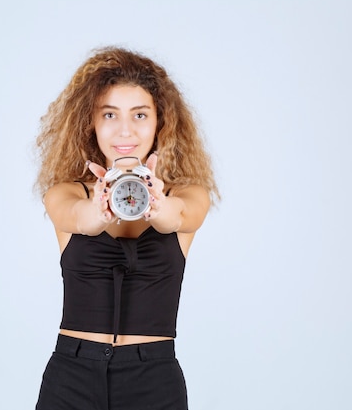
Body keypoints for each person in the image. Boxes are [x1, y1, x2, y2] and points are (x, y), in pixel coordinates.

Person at [34, 46, 219, 410]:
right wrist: (98, 211)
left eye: (139, 115)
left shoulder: (187, 194)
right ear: (91, 122)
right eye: (109, 114)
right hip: (71, 377)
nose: (125, 130)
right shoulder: (67, 192)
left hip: (153, 380)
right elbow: (75, 217)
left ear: (159, 123)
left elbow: (179, 217)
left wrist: (158, 205)